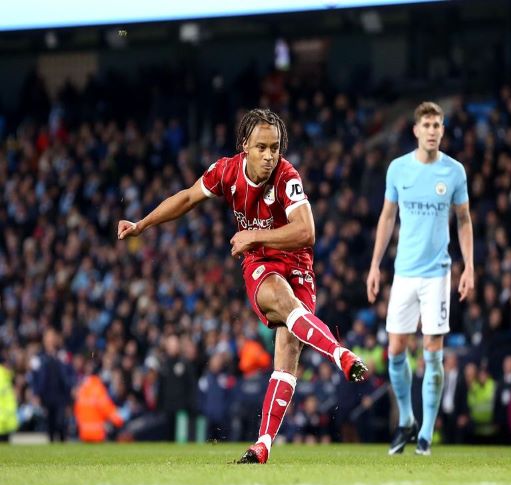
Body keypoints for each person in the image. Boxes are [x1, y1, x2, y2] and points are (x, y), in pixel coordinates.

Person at [118, 108, 367, 464]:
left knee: (288, 352)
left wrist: (254, 233)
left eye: (275, 148)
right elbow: (188, 198)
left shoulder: (287, 176)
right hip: (260, 263)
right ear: (244, 146)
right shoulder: (226, 171)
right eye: (262, 147)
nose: (269, 156)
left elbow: (307, 231)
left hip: (299, 265)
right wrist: (142, 224)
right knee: (281, 300)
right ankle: (341, 354)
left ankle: (263, 444)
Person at [367, 101, 474, 456]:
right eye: (426, 124)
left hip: (437, 275)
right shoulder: (398, 170)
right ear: (415, 130)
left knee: (432, 351)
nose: (431, 130)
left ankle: (426, 432)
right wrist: (374, 265)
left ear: (443, 130)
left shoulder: (454, 172)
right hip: (404, 273)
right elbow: (386, 217)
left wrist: (469, 267)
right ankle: (407, 421)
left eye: (437, 125)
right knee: (395, 350)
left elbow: (464, 220)